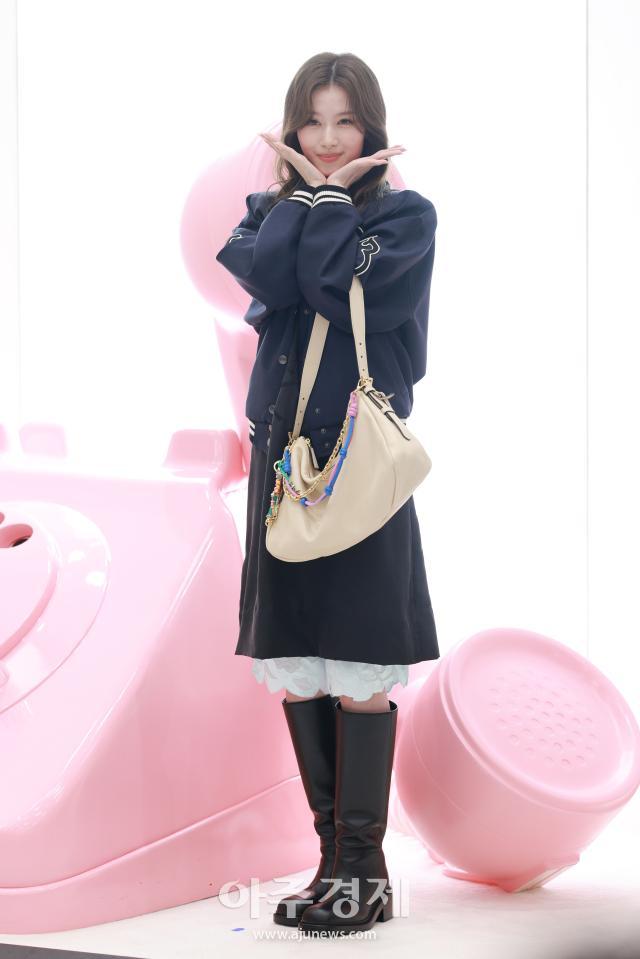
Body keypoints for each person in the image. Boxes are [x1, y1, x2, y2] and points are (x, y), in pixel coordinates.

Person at [215, 51, 440, 936]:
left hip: (357, 463)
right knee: (300, 665)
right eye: (312, 120)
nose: (328, 137)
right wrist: (308, 199)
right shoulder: (266, 212)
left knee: (359, 658)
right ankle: (332, 865)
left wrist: (332, 199)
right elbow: (271, 278)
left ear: (371, 126)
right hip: (284, 463)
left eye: (345, 120)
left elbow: (344, 293)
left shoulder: (407, 218)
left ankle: (362, 870)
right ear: (292, 125)